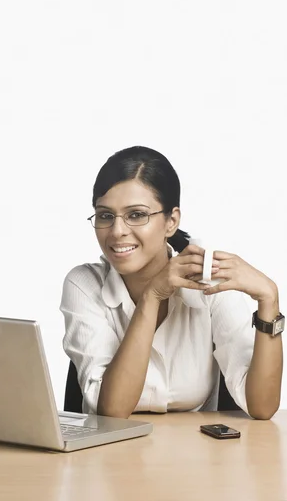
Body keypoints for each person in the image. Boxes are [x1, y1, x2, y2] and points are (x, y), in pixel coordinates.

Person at [60, 146, 283, 420]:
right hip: (109, 456)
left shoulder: (207, 280)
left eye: (136, 215)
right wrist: (152, 296)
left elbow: (262, 407)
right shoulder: (84, 284)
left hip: (196, 457)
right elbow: (113, 410)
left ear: (171, 221)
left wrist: (269, 300)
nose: (117, 231)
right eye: (105, 215)